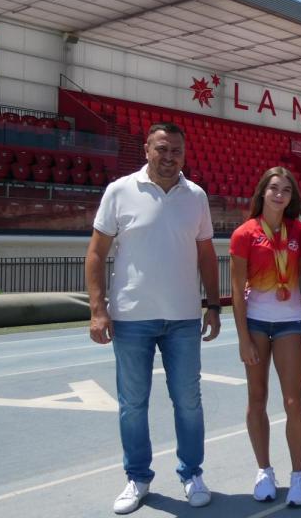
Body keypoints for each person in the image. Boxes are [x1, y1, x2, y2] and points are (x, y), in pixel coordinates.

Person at [85, 122, 220, 514]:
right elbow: (96, 254)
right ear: (146, 149)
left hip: (182, 319)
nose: (169, 156)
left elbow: (207, 255)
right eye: (162, 148)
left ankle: (192, 473)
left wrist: (213, 304)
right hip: (131, 319)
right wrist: (98, 309)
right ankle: (138, 477)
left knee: (188, 402)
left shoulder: (195, 196)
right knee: (132, 403)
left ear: (184, 154)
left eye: (176, 150)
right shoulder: (120, 191)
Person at [229, 166, 301, 507]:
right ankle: (264, 470)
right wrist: (243, 337)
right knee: (257, 398)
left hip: (289, 321)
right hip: (256, 323)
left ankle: (297, 475)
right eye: (274, 188)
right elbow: (235, 290)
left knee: (293, 401)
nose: (279, 195)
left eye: (286, 191)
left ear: (292, 198)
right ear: (262, 192)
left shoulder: (300, 231)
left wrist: (281, 280)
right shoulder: (244, 233)